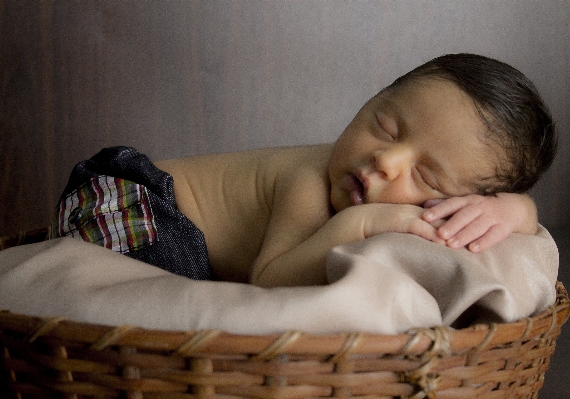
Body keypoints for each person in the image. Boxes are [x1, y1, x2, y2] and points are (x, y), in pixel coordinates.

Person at [54, 53, 557, 288]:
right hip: (130, 201)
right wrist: (358, 225)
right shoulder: (311, 182)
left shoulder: (433, 197)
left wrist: (513, 207)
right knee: (173, 302)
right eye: (383, 125)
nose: (386, 160)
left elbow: (515, 221)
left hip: (141, 210)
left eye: (426, 179)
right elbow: (271, 279)